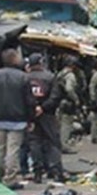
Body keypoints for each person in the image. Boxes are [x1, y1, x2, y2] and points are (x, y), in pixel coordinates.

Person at [0, 49, 38, 189]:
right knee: (13, 150)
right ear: (14, 59)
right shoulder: (23, 77)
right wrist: (31, 119)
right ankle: (10, 179)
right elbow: (29, 101)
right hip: (18, 121)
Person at [25, 53, 65, 183]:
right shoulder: (50, 77)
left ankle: (37, 172)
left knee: (34, 143)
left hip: (30, 116)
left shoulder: (25, 78)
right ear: (41, 62)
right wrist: (43, 107)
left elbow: (23, 97)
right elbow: (55, 96)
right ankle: (55, 170)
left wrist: (33, 108)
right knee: (53, 142)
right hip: (48, 115)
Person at [56, 55, 81, 154]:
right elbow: (69, 89)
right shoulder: (70, 75)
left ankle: (58, 144)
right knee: (66, 125)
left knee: (59, 124)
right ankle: (64, 146)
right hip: (67, 102)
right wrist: (75, 99)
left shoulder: (60, 74)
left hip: (59, 102)